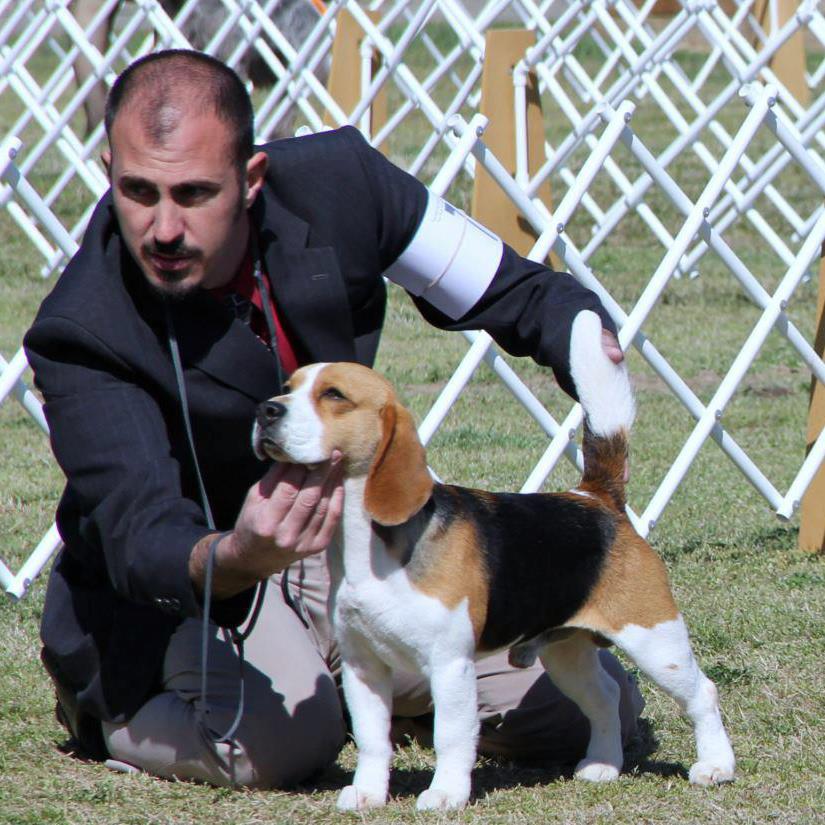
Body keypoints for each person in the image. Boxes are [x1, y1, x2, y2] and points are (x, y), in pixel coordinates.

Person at [25, 49, 643, 789]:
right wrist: (242, 552)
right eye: (137, 191)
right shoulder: (80, 329)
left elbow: (512, 289)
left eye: (194, 193)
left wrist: (583, 334)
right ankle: (118, 719)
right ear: (107, 170)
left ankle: (371, 691)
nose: (162, 226)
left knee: (580, 712)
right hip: (202, 587)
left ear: (251, 180)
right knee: (282, 749)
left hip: (360, 548)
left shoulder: (341, 183)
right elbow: (141, 534)